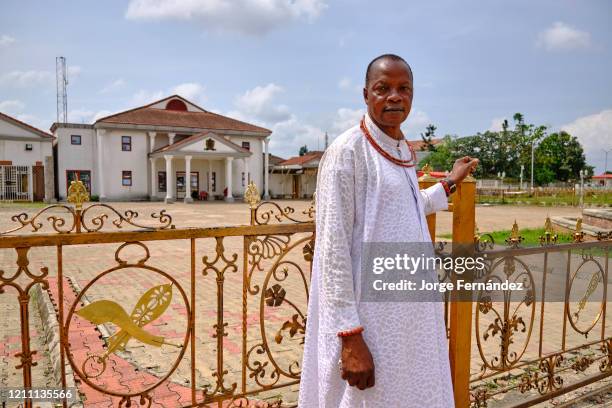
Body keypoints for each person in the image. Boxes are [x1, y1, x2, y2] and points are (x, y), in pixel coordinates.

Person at [298, 54, 478, 407]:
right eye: (383, 88)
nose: (394, 96)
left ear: (412, 96)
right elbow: (332, 248)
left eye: (403, 89)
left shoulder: (401, 148)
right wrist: (350, 337)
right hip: (369, 322)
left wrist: (450, 183)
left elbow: (407, 207)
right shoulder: (347, 152)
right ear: (366, 95)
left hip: (410, 315)